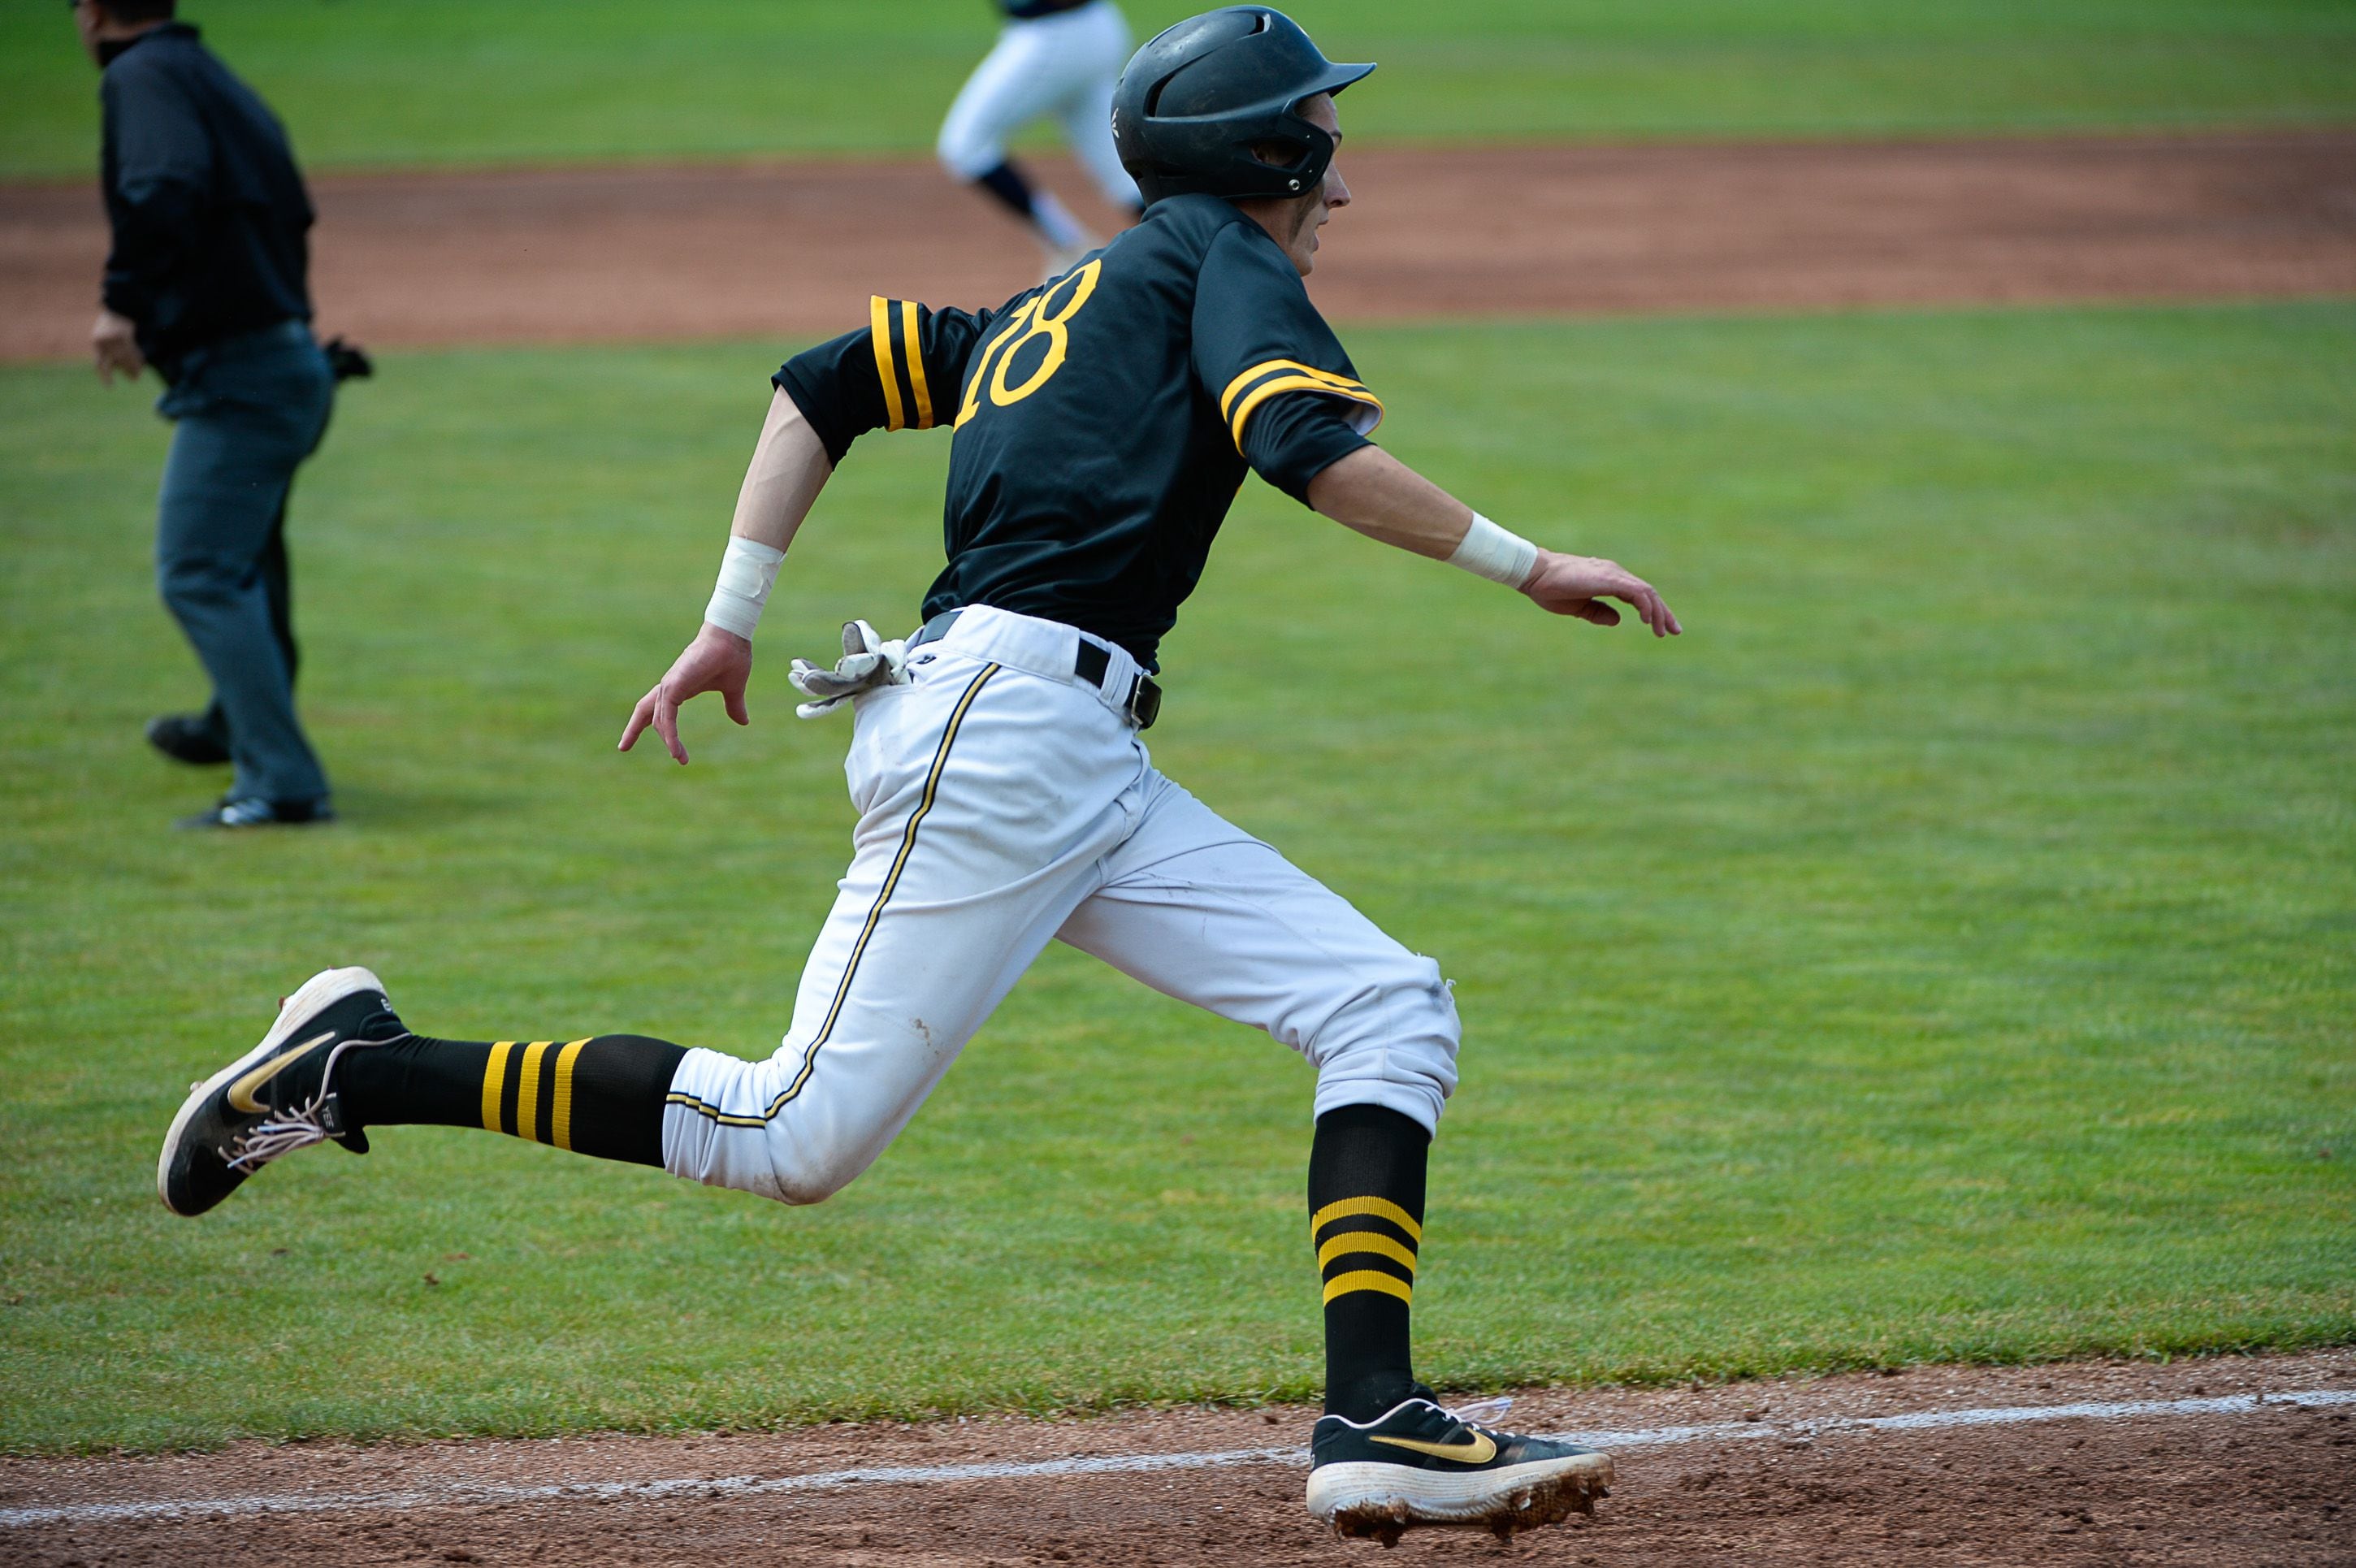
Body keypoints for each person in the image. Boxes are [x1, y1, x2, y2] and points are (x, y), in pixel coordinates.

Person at [155, 6, 1680, 1541]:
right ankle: (355, 1064)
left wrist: (727, 621)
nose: (1341, 179)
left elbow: (825, 380)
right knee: (789, 1136)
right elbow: (1300, 445)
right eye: (1324, 139)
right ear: (1270, 151)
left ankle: (1377, 1422)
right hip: (1005, 742)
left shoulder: (1071, 293)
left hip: (1061, 755)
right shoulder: (1231, 263)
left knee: (1382, 1005)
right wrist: (1529, 562)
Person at [77, 0, 346, 829]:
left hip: (245, 373)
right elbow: (290, 206)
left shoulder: (141, 75)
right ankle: (233, 724)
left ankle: (281, 782)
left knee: (198, 570)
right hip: (286, 358)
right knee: (248, 563)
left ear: (89, 16)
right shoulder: (209, 75)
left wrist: (124, 301)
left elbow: (163, 182)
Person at [938, 0, 1143, 278]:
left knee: (966, 145)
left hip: (1054, 33)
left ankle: (1070, 247)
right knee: (1122, 174)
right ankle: (1194, 252)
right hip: (1091, 28)